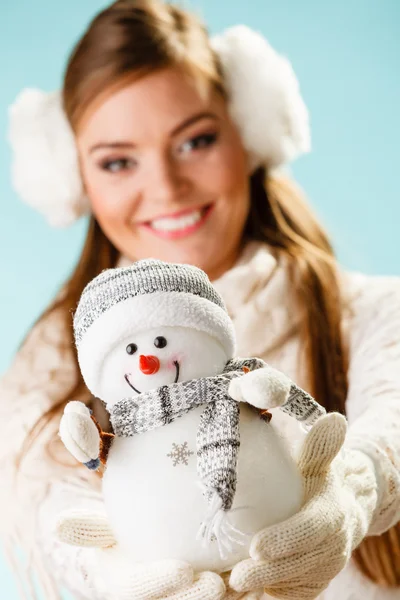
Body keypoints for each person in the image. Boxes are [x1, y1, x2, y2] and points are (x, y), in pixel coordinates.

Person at [2, 0, 400, 599]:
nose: (164, 186)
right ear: (74, 178)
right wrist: (99, 567)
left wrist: (355, 490)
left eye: (196, 141)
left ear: (250, 132)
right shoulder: (46, 379)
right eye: (117, 161)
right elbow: (52, 512)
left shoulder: (371, 315)